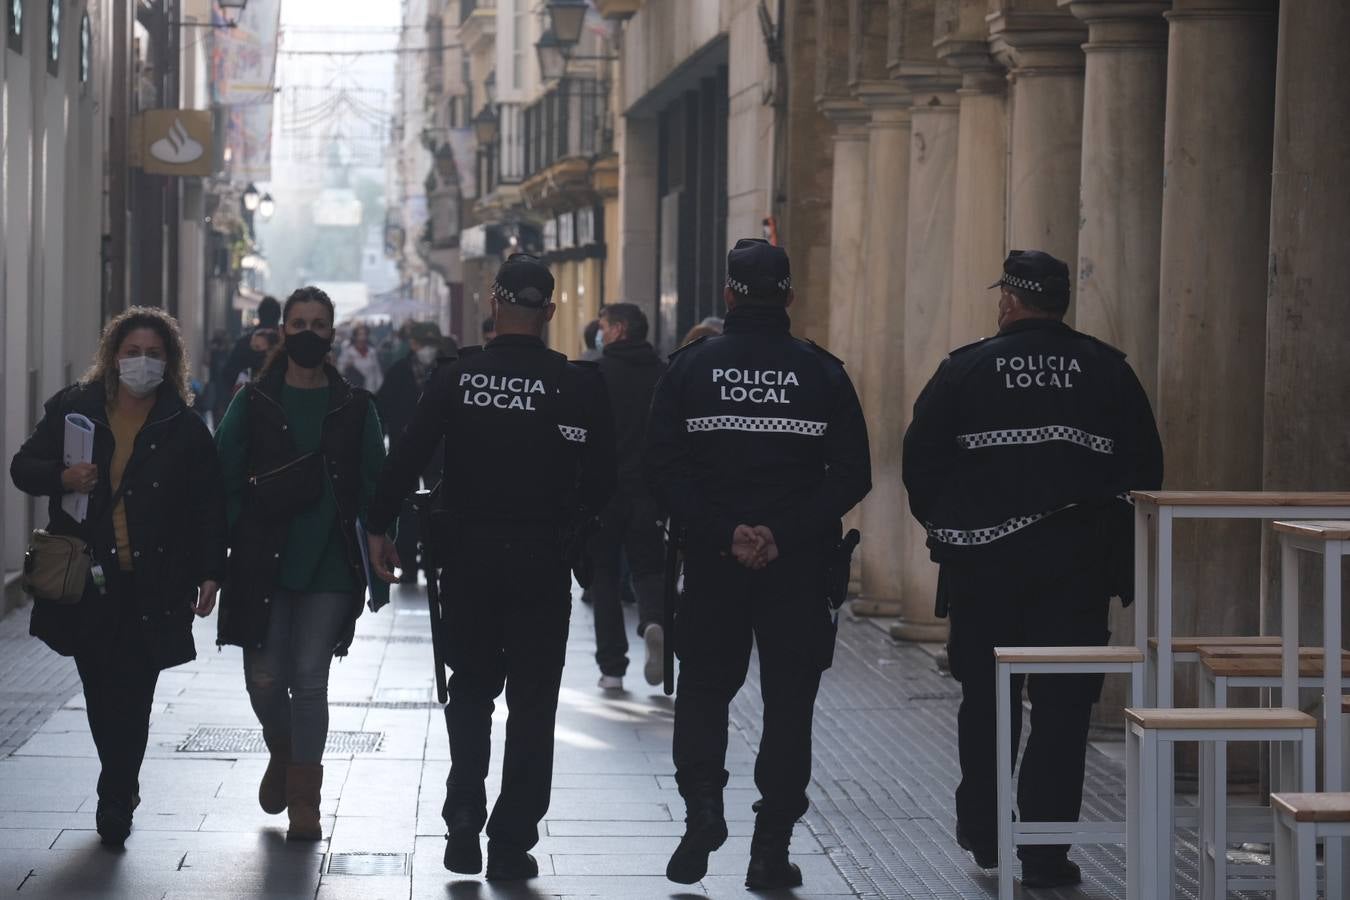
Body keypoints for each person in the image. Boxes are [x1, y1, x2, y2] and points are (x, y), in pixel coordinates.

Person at [902, 250, 1164, 888]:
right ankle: (1046, 851)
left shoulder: (965, 368)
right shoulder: (1108, 370)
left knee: (987, 699)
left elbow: (920, 461)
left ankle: (989, 830)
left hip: (983, 569)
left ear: (1010, 301)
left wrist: (951, 531)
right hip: (1077, 571)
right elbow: (1147, 470)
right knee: (1063, 706)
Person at [365, 253, 615, 882]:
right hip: (541, 562)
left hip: (468, 562)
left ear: (494, 305)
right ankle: (510, 839)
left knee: (471, 692)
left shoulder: (457, 378)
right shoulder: (579, 386)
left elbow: (406, 455)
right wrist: (575, 533)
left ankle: (461, 817)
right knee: (533, 704)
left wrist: (379, 525)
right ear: (550, 312)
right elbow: (605, 482)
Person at [645, 239, 871, 890]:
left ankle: (702, 811)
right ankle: (770, 850)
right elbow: (853, 473)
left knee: (705, 693)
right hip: (796, 567)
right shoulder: (822, 373)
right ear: (790, 298)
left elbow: (661, 470)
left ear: (729, 295)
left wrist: (724, 532)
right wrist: (781, 532)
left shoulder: (691, 369)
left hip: (716, 566)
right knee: (789, 706)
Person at [9, 307, 227, 848]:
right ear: (113, 356)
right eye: (132, 352)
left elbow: (207, 504)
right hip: (88, 579)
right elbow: (22, 467)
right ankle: (120, 778)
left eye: (154, 353)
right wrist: (63, 477)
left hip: (154, 581)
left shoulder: (182, 425)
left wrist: (210, 571)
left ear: (170, 361)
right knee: (101, 690)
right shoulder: (75, 407)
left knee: (137, 693)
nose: (142, 362)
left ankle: (116, 788)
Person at [214, 286, 391, 842]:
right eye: (299, 323)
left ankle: (305, 804)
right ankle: (284, 748)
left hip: (331, 565)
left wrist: (384, 540)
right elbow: (221, 478)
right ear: (283, 330)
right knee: (264, 680)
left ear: (332, 333)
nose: (309, 333)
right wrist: (221, 550)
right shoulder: (255, 401)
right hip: (261, 562)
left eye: (319, 324)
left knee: (310, 681)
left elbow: (374, 486)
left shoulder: (356, 406)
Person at [588, 302, 668, 691]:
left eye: (603, 325)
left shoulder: (598, 374)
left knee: (604, 576)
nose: (599, 331)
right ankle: (654, 621)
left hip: (604, 493)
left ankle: (612, 668)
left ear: (618, 329)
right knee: (649, 568)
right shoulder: (662, 374)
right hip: (650, 491)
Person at [376, 321, 450, 583]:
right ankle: (407, 561)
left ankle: (435, 558)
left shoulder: (448, 371)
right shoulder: (399, 371)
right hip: (406, 449)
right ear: (414, 344)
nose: (428, 349)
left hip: (440, 451)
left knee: (438, 506)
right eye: (424, 343)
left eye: (433, 344)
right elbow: (383, 406)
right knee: (406, 508)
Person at [217, 295, 281, 421]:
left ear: (259, 314)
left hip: (246, 409)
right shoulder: (283, 345)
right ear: (278, 316)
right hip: (278, 409)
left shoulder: (244, 343)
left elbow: (227, 374)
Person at [338, 321, 383, 393]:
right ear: (355, 336)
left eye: (365, 334)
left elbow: (377, 372)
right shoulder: (348, 352)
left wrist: (380, 389)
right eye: (360, 334)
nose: (362, 337)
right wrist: (347, 365)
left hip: (371, 391)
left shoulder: (372, 352)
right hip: (354, 393)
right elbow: (340, 369)